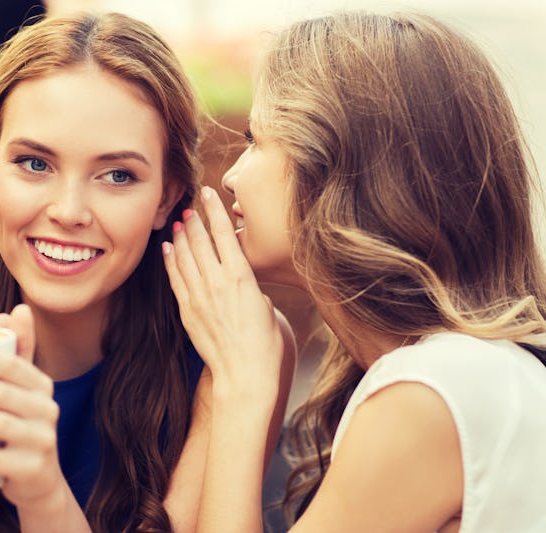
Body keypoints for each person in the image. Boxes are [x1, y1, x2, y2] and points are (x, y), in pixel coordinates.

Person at [0, 11, 294, 533]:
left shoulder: (233, 355)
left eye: (117, 175)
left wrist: (40, 490)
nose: (69, 210)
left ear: (165, 197)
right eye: (35, 163)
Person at [164, 10, 546, 533]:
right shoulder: (468, 372)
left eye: (255, 138)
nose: (230, 175)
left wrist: (239, 384)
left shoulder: (429, 394)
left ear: (336, 165)